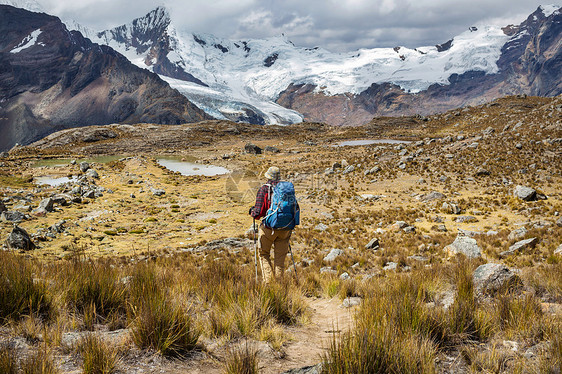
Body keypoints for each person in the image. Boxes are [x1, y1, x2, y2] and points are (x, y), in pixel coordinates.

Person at [249, 166, 297, 283]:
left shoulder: (264, 189)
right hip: (286, 228)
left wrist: (252, 211)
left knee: (264, 254)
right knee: (280, 259)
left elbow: (258, 213)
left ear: (268, 177)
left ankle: (269, 285)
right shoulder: (286, 190)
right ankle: (279, 285)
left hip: (268, 229)